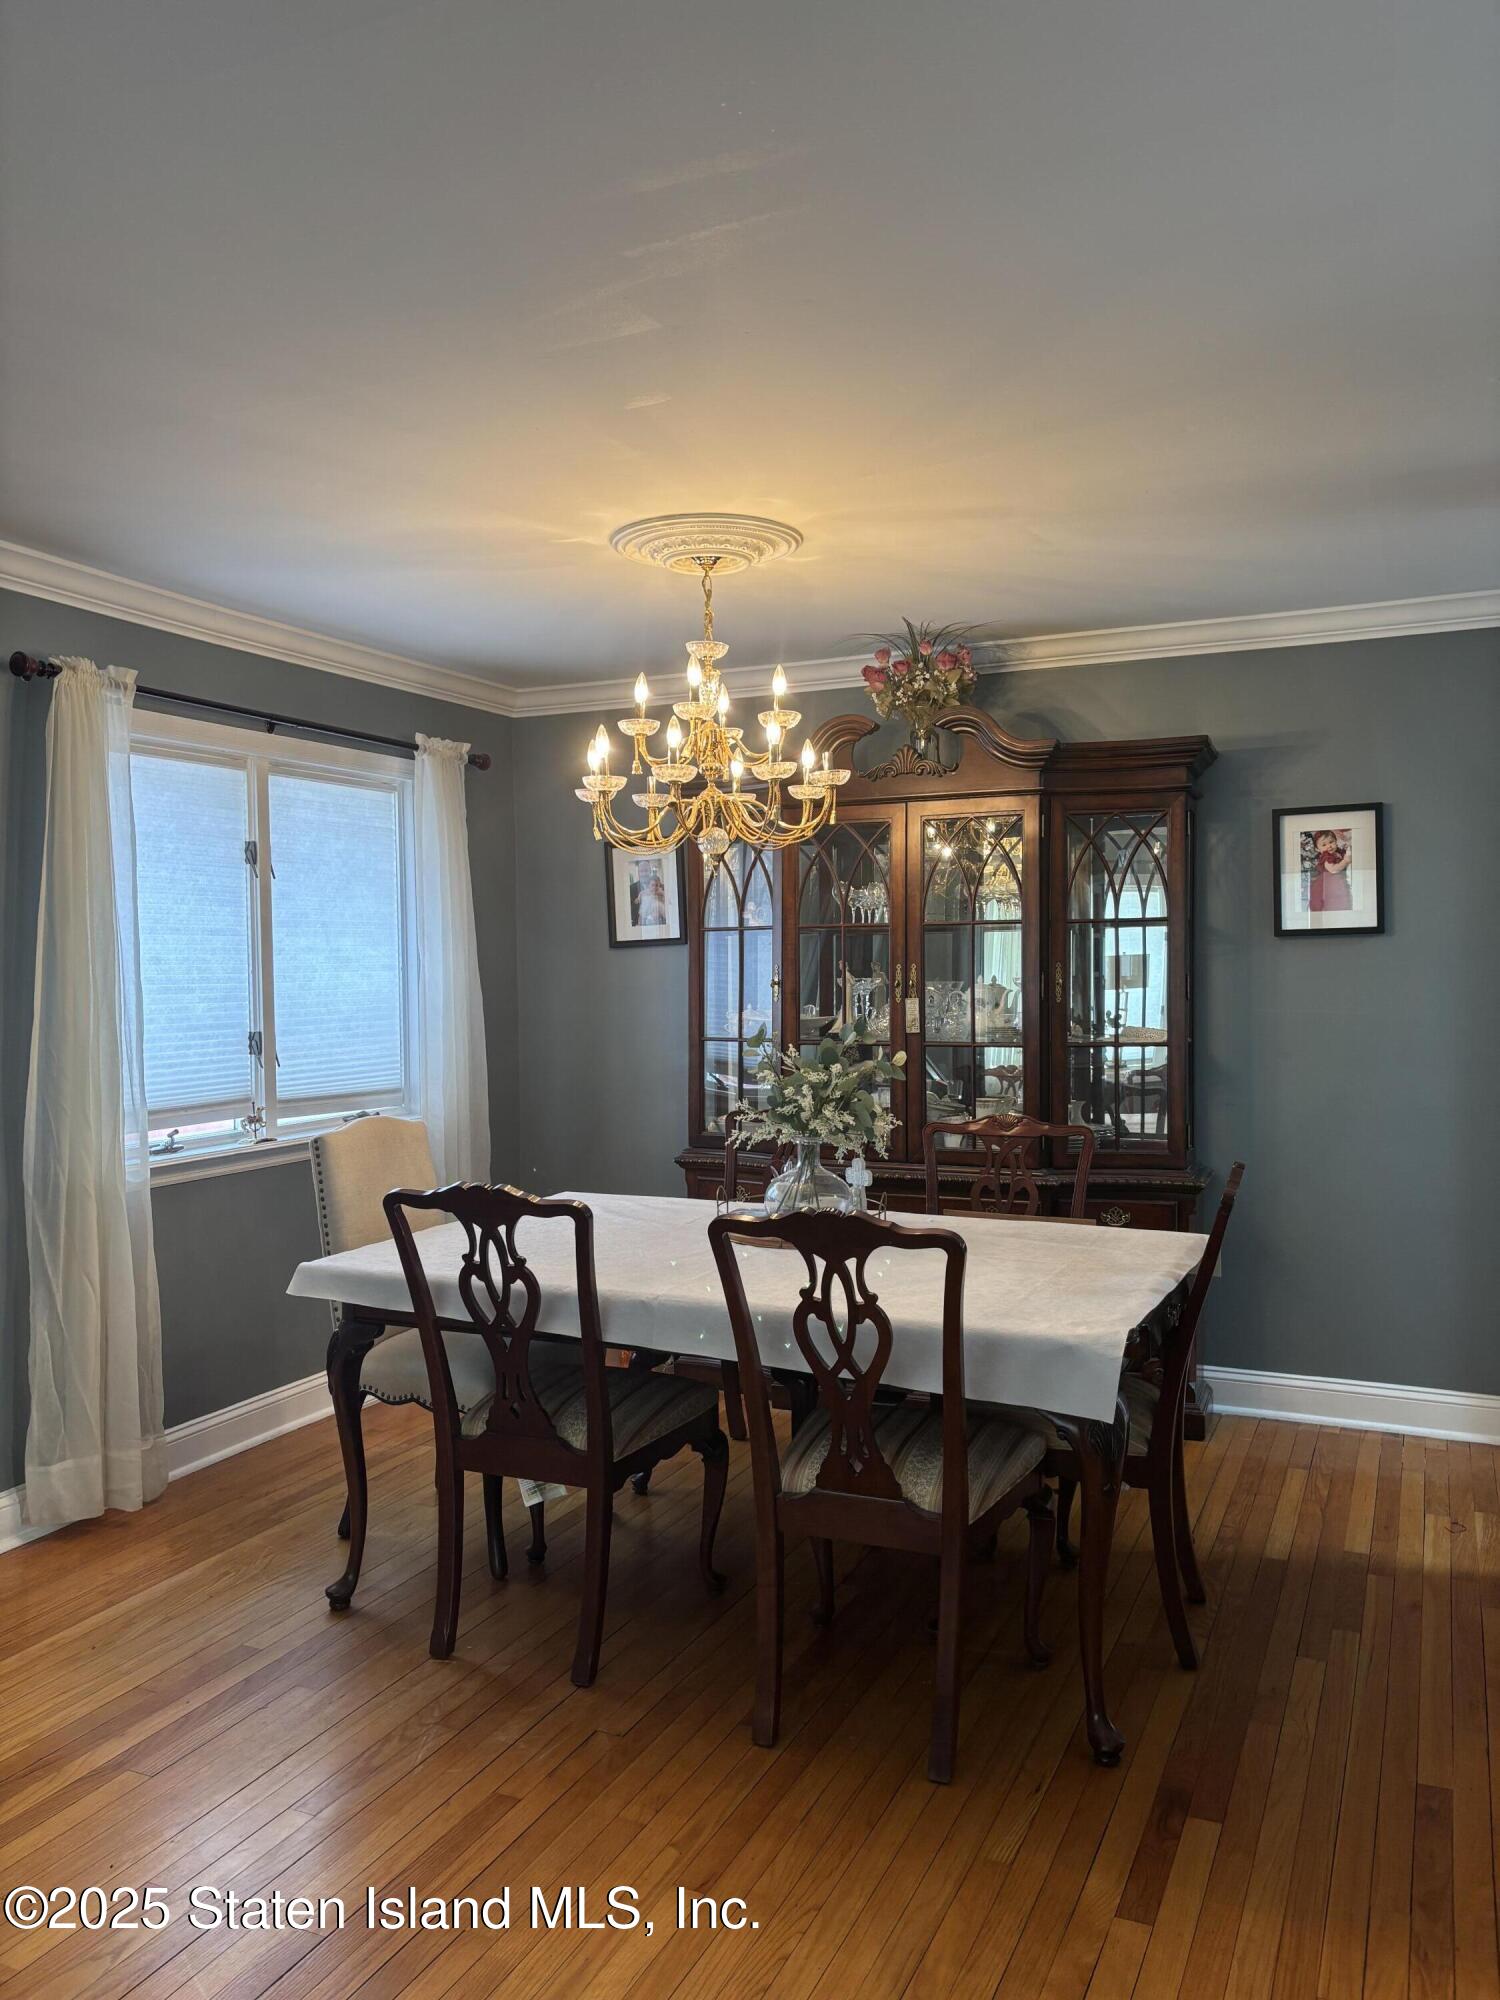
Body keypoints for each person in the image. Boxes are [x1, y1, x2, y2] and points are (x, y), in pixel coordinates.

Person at [1308, 828, 1352, 912]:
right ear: (1317, 849)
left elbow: (1345, 852)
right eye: (1324, 845)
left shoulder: (1337, 852)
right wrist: (1345, 861)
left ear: (1336, 841)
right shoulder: (1326, 857)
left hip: (1336, 882)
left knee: (1340, 900)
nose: (1329, 846)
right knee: (1332, 902)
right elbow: (1333, 869)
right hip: (1325, 884)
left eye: (1331, 842)